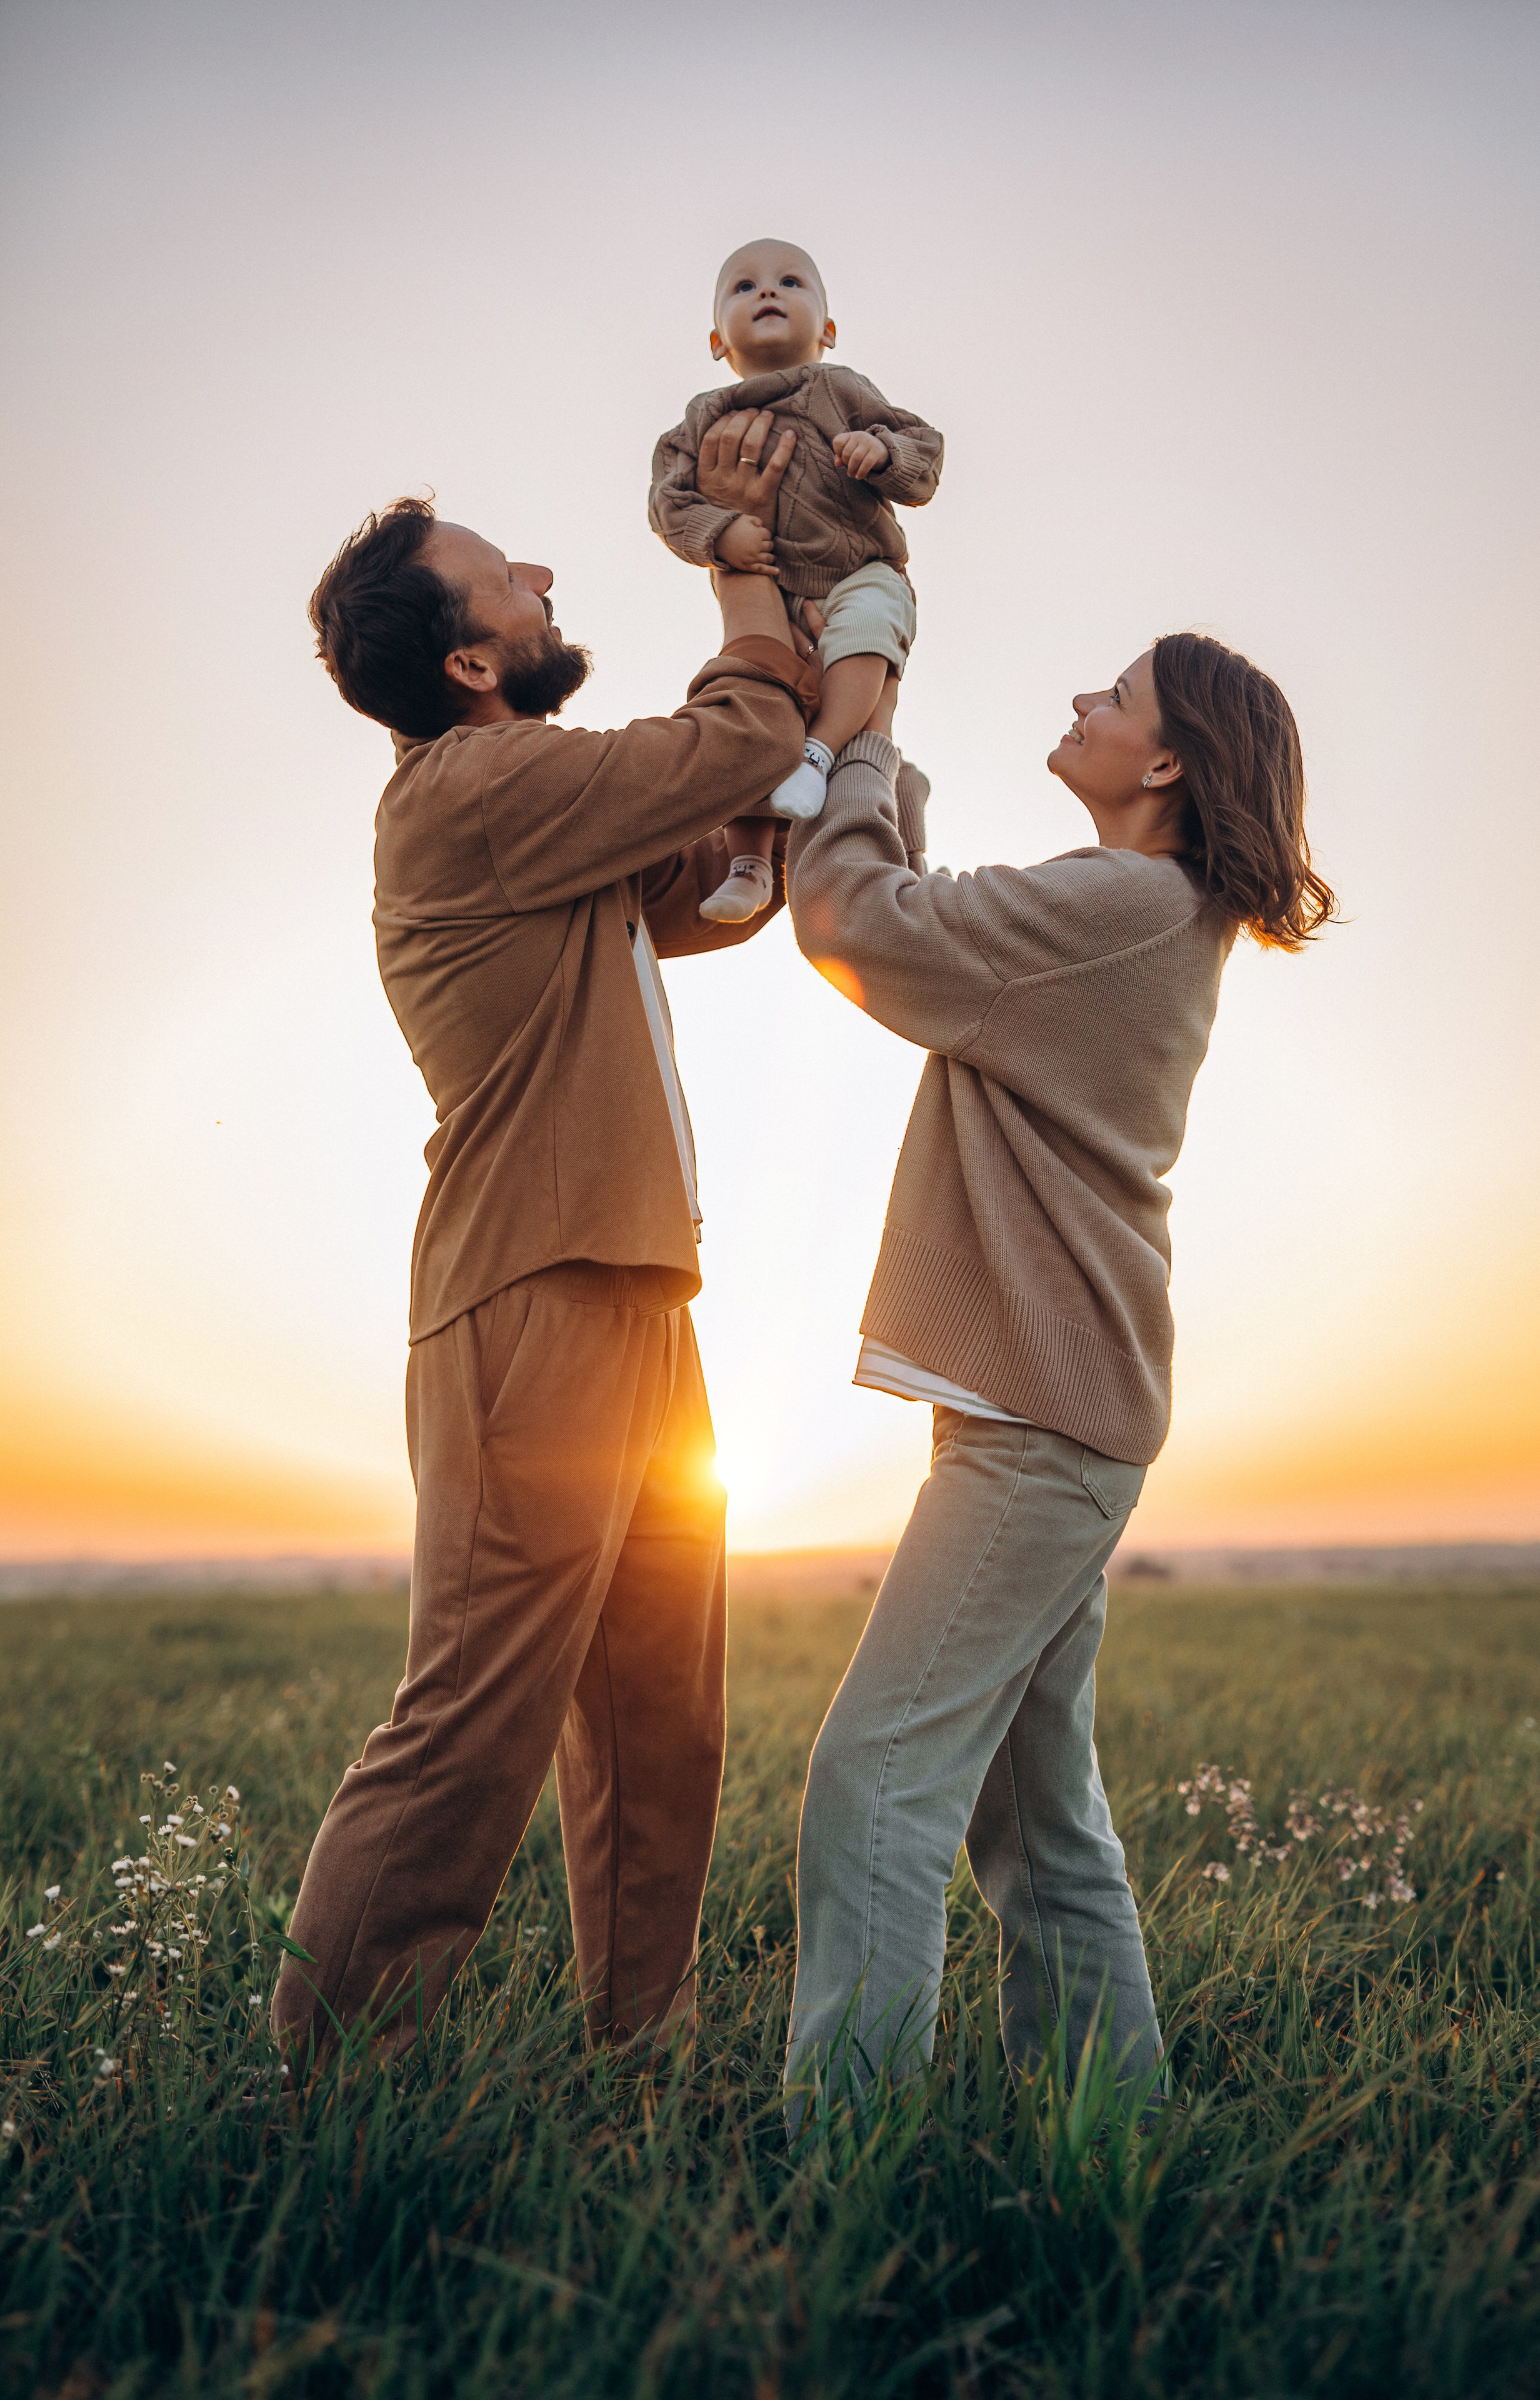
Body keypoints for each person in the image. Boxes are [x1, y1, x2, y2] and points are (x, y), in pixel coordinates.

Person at [271, 450, 821, 2065]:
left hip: (637, 1286)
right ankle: (323, 2103)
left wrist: (781, 816)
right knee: (473, 1719)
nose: (547, 585)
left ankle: (640, 2066)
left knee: (661, 1717)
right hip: (531, 1300)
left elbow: (707, 891)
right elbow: (741, 740)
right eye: (511, 579)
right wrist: (738, 564)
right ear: (468, 663)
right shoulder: (474, 789)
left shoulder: (534, 822)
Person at [782, 635, 1335, 2118]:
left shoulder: (1117, 903)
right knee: (1037, 1822)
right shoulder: (1140, 912)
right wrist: (874, 750)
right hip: (1061, 1417)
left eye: (1116, 695)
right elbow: (918, 919)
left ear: (1163, 762)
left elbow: (850, 919)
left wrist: (852, 740)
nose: (1082, 700)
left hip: (1038, 1429)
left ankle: (841, 2165)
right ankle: (1107, 2142)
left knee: (874, 1781)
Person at [649, 238, 942, 923]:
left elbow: (924, 451)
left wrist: (882, 451)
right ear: (718, 342)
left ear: (828, 331)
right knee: (754, 701)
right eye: (743, 287)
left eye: (789, 282)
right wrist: (719, 533)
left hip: (861, 571)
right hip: (769, 589)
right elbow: (668, 504)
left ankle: (827, 762)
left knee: (867, 638)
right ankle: (750, 862)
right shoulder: (702, 418)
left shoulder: (843, 390)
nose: (767, 292)